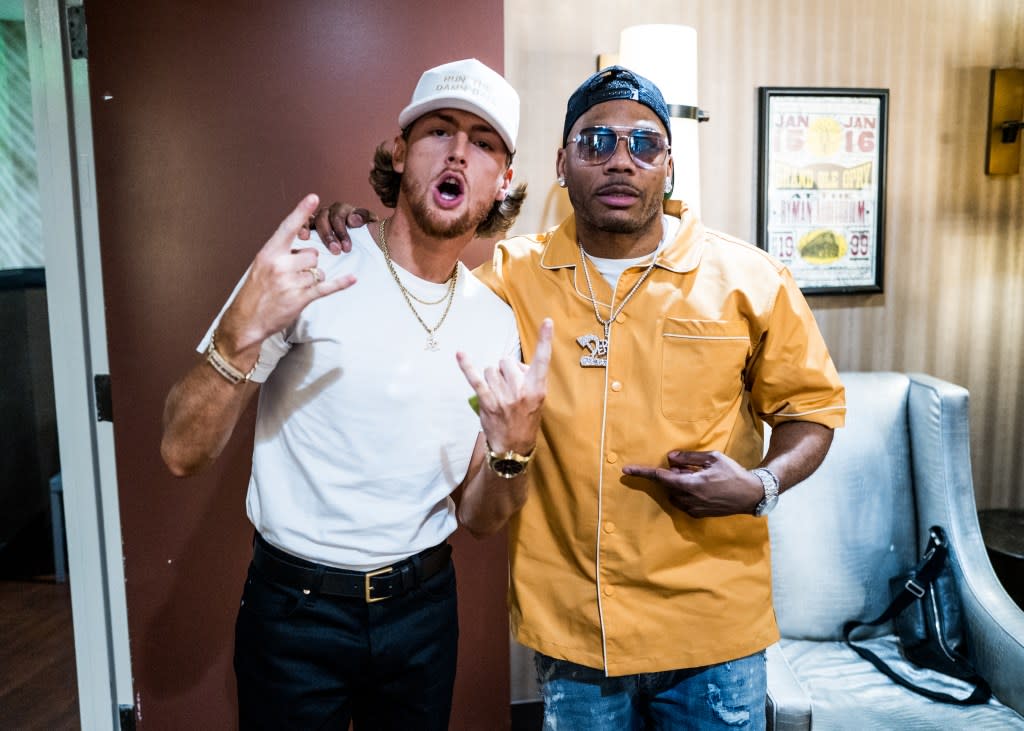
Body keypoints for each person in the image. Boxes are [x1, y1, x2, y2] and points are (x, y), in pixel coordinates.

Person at [316, 66, 846, 730]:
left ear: (669, 166)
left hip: (715, 631)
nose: (620, 160)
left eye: (643, 144)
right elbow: (418, 276)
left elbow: (813, 411)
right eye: (596, 142)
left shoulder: (749, 278)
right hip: (575, 636)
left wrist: (762, 483)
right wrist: (359, 232)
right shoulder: (510, 278)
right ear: (562, 163)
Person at [160, 58, 553, 731]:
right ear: (401, 153)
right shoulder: (311, 267)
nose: (459, 151)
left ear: (502, 181)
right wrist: (236, 339)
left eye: (483, 143)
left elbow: (482, 517)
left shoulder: (493, 323)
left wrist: (513, 451)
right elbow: (179, 451)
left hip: (423, 611)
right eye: (439, 131)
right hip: (295, 612)